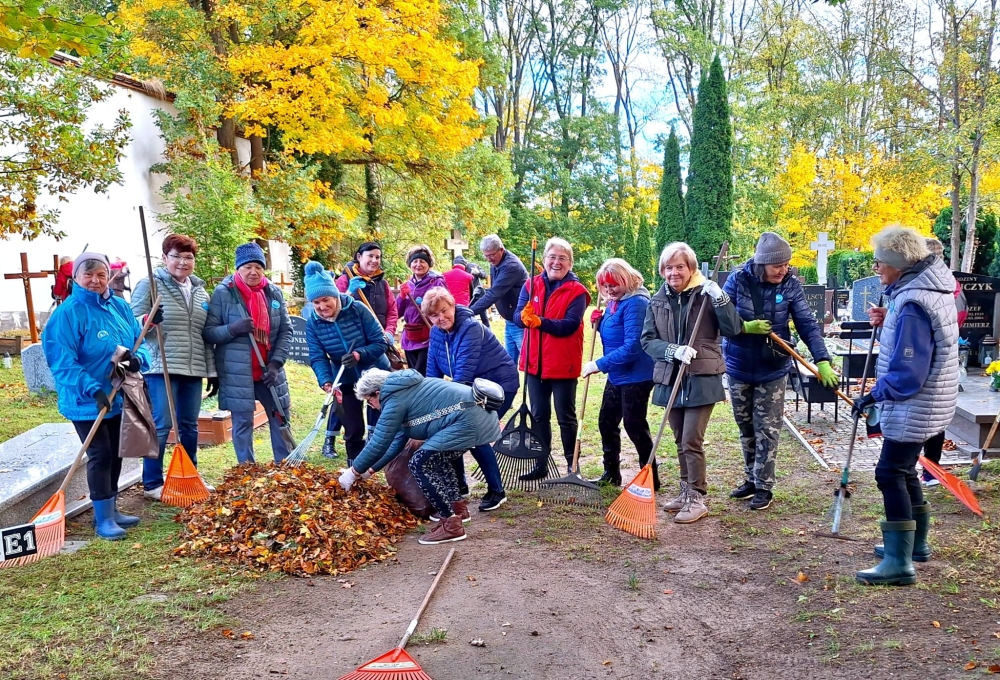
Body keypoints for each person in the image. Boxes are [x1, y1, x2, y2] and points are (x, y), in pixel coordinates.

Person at [852, 226, 958, 586]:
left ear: (898, 262)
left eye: (880, 260)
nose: (877, 266)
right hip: (931, 402)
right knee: (905, 469)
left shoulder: (914, 301)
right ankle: (916, 545)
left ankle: (899, 562)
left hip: (916, 402)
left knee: (890, 473)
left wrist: (874, 395)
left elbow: (909, 371)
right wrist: (889, 319)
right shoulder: (924, 289)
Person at [722, 232, 837, 510]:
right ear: (762, 264)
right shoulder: (737, 280)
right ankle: (751, 478)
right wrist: (743, 327)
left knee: (768, 428)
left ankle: (764, 486)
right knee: (746, 426)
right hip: (738, 365)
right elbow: (718, 318)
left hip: (772, 368)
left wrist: (822, 359)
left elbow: (807, 324)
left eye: (786, 265)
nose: (783, 270)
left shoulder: (790, 285)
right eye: (777, 266)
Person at [43, 252, 152, 540]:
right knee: (100, 453)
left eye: (101, 274)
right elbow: (62, 362)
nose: (95, 280)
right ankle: (102, 518)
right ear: (76, 278)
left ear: (109, 277)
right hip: (85, 398)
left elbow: (138, 340)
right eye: (88, 274)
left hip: (118, 393)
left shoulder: (119, 306)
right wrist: (92, 389)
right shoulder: (67, 315)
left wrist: (138, 359)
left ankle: (111, 509)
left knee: (116, 452)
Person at [638, 245, 742, 523]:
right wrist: (672, 350)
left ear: (691, 268)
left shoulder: (706, 295)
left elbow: (733, 329)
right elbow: (647, 340)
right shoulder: (657, 299)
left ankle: (697, 497)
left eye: (680, 266)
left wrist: (721, 299)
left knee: (690, 439)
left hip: (701, 377)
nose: (674, 272)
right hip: (671, 377)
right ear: (662, 271)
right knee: (678, 439)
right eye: (669, 267)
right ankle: (685, 492)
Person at [339, 368, 501, 545]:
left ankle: (450, 526)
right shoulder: (402, 390)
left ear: (377, 393)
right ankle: (458, 509)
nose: (371, 406)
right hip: (480, 418)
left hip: (469, 420)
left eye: (369, 401)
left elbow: (379, 441)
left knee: (420, 463)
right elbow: (396, 442)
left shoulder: (393, 399)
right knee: (438, 458)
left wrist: (353, 472)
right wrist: (368, 470)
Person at [132, 234, 218, 501]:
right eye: (176, 256)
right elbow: (132, 324)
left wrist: (211, 370)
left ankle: (189, 474)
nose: (183, 262)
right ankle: (152, 483)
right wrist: (148, 319)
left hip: (193, 368)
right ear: (165, 258)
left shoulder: (200, 290)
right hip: (161, 365)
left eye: (188, 257)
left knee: (189, 425)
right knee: (161, 424)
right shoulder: (150, 285)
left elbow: (204, 333)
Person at [423, 287, 518, 511]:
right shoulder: (436, 333)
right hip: (471, 388)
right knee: (449, 430)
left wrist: (446, 410)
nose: (441, 318)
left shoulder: (471, 328)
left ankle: (497, 491)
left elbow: (463, 374)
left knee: (476, 434)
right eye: (434, 315)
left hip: (498, 386)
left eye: (444, 311)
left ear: (453, 306)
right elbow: (432, 372)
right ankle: (459, 487)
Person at [204, 242, 294, 464]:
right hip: (238, 373)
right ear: (238, 269)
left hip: (269, 372)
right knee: (243, 423)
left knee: (279, 417)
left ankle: (284, 467)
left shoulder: (272, 292)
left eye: (258, 267)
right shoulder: (224, 294)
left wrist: (276, 364)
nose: (253, 272)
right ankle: (247, 470)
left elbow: (286, 330)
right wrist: (232, 329)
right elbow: (209, 332)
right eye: (247, 267)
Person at [514, 237, 590, 479]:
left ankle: (572, 466)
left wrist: (540, 322)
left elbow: (569, 325)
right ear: (544, 259)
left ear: (570, 263)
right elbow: (516, 315)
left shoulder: (577, 291)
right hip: (534, 362)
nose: (556, 262)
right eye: (552, 257)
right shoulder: (531, 285)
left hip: (563, 364)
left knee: (565, 417)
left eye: (562, 258)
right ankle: (540, 464)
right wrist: (523, 318)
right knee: (539, 415)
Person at [303, 261, 390, 467]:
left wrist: (360, 354)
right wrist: (325, 381)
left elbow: (380, 343)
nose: (322, 307)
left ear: (335, 295)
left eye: (326, 300)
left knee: (382, 423)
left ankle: (387, 464)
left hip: (374, 374)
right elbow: (317, 357)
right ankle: (355, 468)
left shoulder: (357, 309)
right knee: (352, 428)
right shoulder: (313, 324)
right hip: (343, 377)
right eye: (316, 303)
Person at [581, 258, 655, 489]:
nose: (609, 289)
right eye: (604, 285)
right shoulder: (615, 302)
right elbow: (614, 332)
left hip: (637, 375)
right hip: (618, 374)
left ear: (626, 279)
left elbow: (633, 346)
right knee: (606, 421)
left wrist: (598, 364)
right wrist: (600, 322)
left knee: (635, 426)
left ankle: (650, 477)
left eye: (614, 284)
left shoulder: (636, 303)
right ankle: (611, 473)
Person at [333, 243, 399, 455]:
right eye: (370, 256)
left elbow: (392, 311)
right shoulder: (344, 280)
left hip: (376, 348)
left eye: (378, 257)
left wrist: (389, 332)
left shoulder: (382, 283)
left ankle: (376, 438)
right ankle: (343, 442)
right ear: (359, 257)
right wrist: (349, 292)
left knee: (377, 395)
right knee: (350, 399)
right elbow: (333, 309)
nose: (375, 261)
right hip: (350, 349)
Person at [914, 237, 966, 487]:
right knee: (926, 416)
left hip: (934, 358)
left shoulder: (942, 285)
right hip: (935, 356)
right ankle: (925, 469)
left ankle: (930, 470)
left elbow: (953, 318)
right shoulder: (945, 282)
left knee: (931, 417)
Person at [471, 235, 529, 365]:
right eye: (485, 256)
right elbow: (492, 289)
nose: (489, 259)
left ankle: (534, 386)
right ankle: (510, 386)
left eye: (491, 255)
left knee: (529, 363)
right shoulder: (496, 263)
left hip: (522, 323)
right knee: (508, 364)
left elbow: (494, 293)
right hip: (510, 321)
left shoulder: (511, 266)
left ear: (501, 250)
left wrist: (470, 311)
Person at [396, 244, 446, 375]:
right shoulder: (407, 285)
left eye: (422, 261)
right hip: (410, 338)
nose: (418, 264)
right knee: (413, 375)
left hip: (429, 336)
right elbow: (396, 313)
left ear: (429, 264)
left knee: (426, 375)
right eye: (415, 261)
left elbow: (445, 307)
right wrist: (401, 297)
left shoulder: (436, 282)